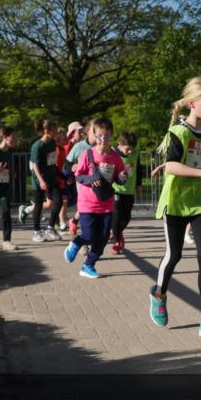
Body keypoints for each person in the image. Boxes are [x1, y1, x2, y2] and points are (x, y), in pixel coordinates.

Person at [150, 77, 201, 337]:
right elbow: (171, 165)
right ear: (192, 103)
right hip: (176, 202)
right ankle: (158, 294)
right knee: (174, 255)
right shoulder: (179, 133)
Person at [65, 118, 126, 279]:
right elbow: (78, 176)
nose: (103, 140)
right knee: (90, 236)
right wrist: (91, 180)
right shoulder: (88, 154)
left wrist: (122, 176)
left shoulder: (115, 157)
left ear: (111, 136)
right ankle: (77, 243)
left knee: (104, 237)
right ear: (94, 135)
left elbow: (118, 179)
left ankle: (88, 265)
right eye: (99, 136)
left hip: (106, 203)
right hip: (88, 204)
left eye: (106, 136)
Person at [28, 119, 62, 242]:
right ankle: (36, 232)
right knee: (38, 205)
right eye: (54, 129)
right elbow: (35, 165)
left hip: (52, 178)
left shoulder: (52, 143)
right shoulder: (37, 146)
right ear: (47, 131)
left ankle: (50, 227)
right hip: (39, 180)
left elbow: (52, 162)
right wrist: (41, 181)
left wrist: (61, 175)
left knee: (58, 201)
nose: (57, 131)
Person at [111, 131, 140, 254]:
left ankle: (116, 232)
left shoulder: (135, 153)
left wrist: (139, 185)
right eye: (127, 149)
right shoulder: (112, 154)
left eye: (131, 149)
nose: (129, 152)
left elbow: (139, 168)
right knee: (116, 216)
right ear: (120, 144)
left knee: (127, 217)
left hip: (129, 191)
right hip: (116, 190)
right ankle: (117, 240)